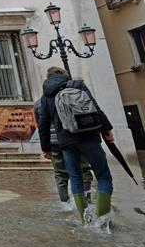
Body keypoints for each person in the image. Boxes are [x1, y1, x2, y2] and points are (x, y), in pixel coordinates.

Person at [37, 66, 115, 223]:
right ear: (64, 75)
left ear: (48, 77)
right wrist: (107, 129)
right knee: (103, 176)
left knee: (75, 177)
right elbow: (95, 108)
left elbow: (43, 124)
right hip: (88, 136)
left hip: (66, 142)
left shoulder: (46, 96)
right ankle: (103, 219)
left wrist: (45, 148)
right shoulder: (77, 85)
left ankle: (85, 220)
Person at [33, 95, 94, 204]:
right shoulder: (70, 97)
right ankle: (87, 203)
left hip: (54, 142)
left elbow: (41, 127)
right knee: (84, 170)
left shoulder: (39, 103)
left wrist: (45, 147)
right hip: (74, 139)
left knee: (60, 174)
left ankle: (65, 203)